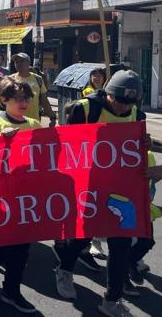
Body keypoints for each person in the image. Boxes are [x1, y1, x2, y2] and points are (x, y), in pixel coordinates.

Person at [52, 70, 148, 317]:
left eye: (128, 102)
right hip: (88, 186)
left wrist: (143, 143)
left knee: (121, 244)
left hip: (121, 190)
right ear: (108, 94)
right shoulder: (84, 109)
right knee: (84, 235)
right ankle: (65, 268)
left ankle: (112, 299)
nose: (122, 107)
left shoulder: (137, 115)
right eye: (118, 100)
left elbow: (137, 150)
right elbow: (65, 144)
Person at [0, 79, 41, 313]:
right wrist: (0, 141)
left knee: (22, 247)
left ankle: (11, 290)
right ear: (4, 100)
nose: (23, 103)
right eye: (18, 98)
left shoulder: (34, 124)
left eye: (26, 98)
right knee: (1, 243)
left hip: (26, 195)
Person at [8, 53, 56, 126]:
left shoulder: (38, 79)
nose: (18, 63)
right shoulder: (10, 79)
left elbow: (44, 101)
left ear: (28, 63)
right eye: (16, 62)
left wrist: (52, 117)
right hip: (14, 123)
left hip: (34, 122)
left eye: (21, 61)